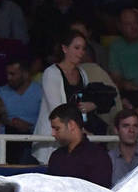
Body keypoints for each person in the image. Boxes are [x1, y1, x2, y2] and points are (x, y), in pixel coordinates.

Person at [32, 29, 101, 164]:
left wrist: (91, 105)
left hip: (76, 137)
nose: (81, 52)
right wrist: (82, 131)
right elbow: (57, 109)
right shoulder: (51, 73)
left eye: (83, 48)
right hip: (53, 138)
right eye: (76, 48)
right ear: (64, 48)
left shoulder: (83, 74)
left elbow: (84, 102)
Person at [46, 103, 112, 188]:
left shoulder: (98, 156)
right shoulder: (56, 156)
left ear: (71, 125)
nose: (53, 133)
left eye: (57, 128)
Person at [0, 57, 41, 138]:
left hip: (35, 137)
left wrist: (29, 127)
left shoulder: (40, 91)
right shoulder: (1, 92)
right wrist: (11, 123)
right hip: (8, 138)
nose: (8, 78)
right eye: (7, 74)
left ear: (25, 74)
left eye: (12, 74)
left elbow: (47, 118)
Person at [109, 107, 138, 186]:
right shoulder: (109, 159)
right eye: (126, 126)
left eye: (135, 126)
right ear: (116, 130)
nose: (131, 130)